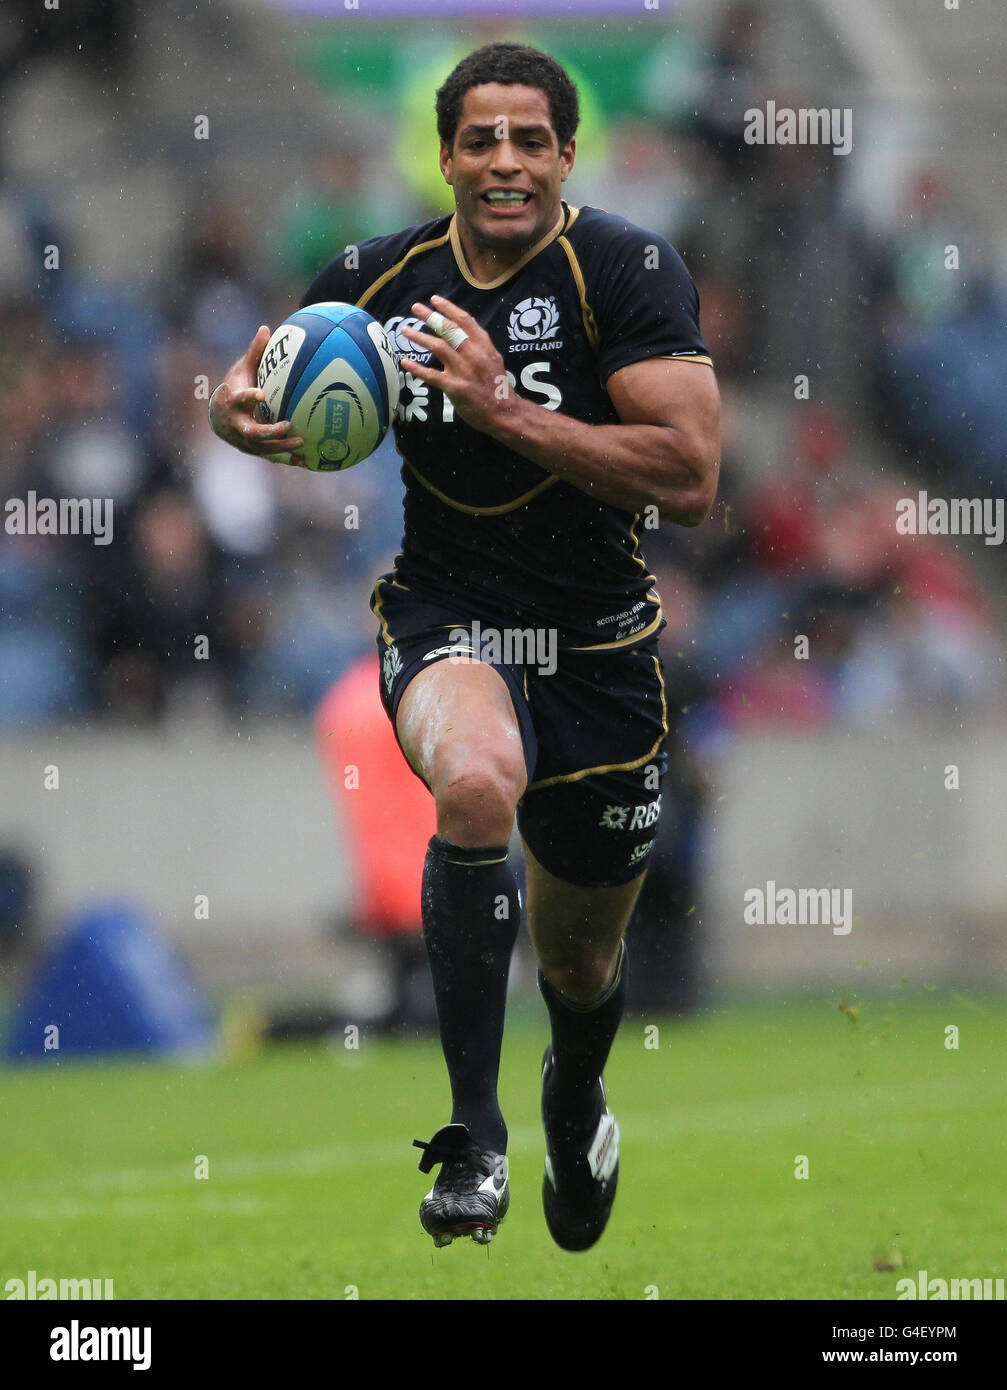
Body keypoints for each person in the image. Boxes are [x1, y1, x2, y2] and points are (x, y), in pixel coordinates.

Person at [208, 42, 720, 1253]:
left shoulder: (625, 270)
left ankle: (572, 1092)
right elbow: (260, 376)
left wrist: (503, 410)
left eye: (527, 139)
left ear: (563, 156)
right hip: (450, 617)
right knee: (475, 784)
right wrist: (232, 417)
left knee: (584, 964)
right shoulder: (376, 277)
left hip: (601, 646)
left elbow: (691, 475)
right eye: (479, 139)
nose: (503, 161)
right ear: (443, 157)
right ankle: (475, 1136)